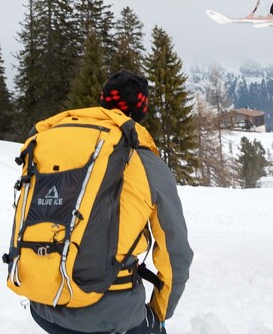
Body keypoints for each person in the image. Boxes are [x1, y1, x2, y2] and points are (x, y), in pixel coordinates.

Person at [25, 70, 193, 334]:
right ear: (141, 111)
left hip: (44, 304)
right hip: (112, 313)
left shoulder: (55, 148)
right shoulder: (146, 162)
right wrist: (160, 313)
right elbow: (176, 253)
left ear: (103, 103)